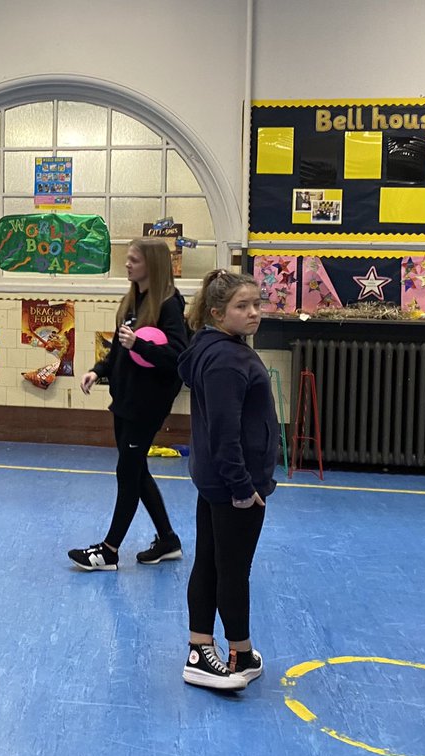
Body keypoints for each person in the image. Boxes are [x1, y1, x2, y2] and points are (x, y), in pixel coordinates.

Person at [176, 269, 276, 690]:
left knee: (216, 563)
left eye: (257, 303)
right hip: (233, 486)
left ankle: (222, 650)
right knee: (233, 570)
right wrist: (242, 488)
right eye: (242, 306)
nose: (254, 313)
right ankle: (229, 654)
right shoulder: (226, 360)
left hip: (218, 482)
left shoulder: (215, 347)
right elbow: (224, 432)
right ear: (218, 313)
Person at [67, 238, 189, 571]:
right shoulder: (134, 301)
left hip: (147, 404)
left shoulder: (169, 305)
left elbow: (178, 355)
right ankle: (168, 539)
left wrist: (140, 345)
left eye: (134, 259)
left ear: (152, 263)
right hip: (125, 399)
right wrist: (99, 370)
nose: (127, 264)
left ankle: (109, 550)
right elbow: (120, 352)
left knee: (127, 472)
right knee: (137, 470)